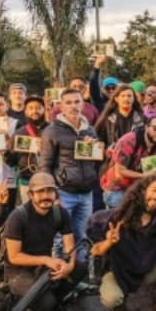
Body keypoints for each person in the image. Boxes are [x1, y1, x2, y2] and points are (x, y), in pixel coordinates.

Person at [90, 176, 156, 311]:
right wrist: (109, 242)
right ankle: (120, 304)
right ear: (143, 190)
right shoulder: (119, 215)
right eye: (154, 190)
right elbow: (95, 251)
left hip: (144, 270)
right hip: (118, 272)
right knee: (113, 299)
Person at [1, 172, 77, 311]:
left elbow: (70, 246)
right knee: (46, 302)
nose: (46, 195)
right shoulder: (18, 217)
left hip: (43, 267)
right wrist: (46, 260)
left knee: (80, 268)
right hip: (18, 271)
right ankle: (17, 298)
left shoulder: (60, 213)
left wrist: (70, 265)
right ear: (30, 194)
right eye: (40, 191)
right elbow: (14, 256)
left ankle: (57, 300)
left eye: (50, 190)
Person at [39, 89, 100, 253]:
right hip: (64, 191)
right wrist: (52, 194)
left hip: (86, 192)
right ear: (61, 106)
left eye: (77, 102)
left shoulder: (90, 130)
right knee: (58, 237)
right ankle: (55, 275)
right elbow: (44, 165)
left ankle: (78, 274)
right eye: (69, 102)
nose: (73, 106)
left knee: (81, 236)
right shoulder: (52, 131)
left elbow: (95, 161)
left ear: (83, 104)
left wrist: (94, 148)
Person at [99, 114, 156, 208]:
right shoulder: (129, 140)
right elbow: (121, 170)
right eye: (155, 129)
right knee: (118, 219)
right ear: (146, 127)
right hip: (117, 188)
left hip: (137, 190)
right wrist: (144, 175)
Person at [94, 83, 144, 150]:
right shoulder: (107, 120)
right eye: (123, 96)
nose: (126, 99)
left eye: (129, 96)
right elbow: (100, 141)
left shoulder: (142, 119)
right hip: (113, 157)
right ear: (116, 99)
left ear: (134, 99)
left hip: (134, 158)